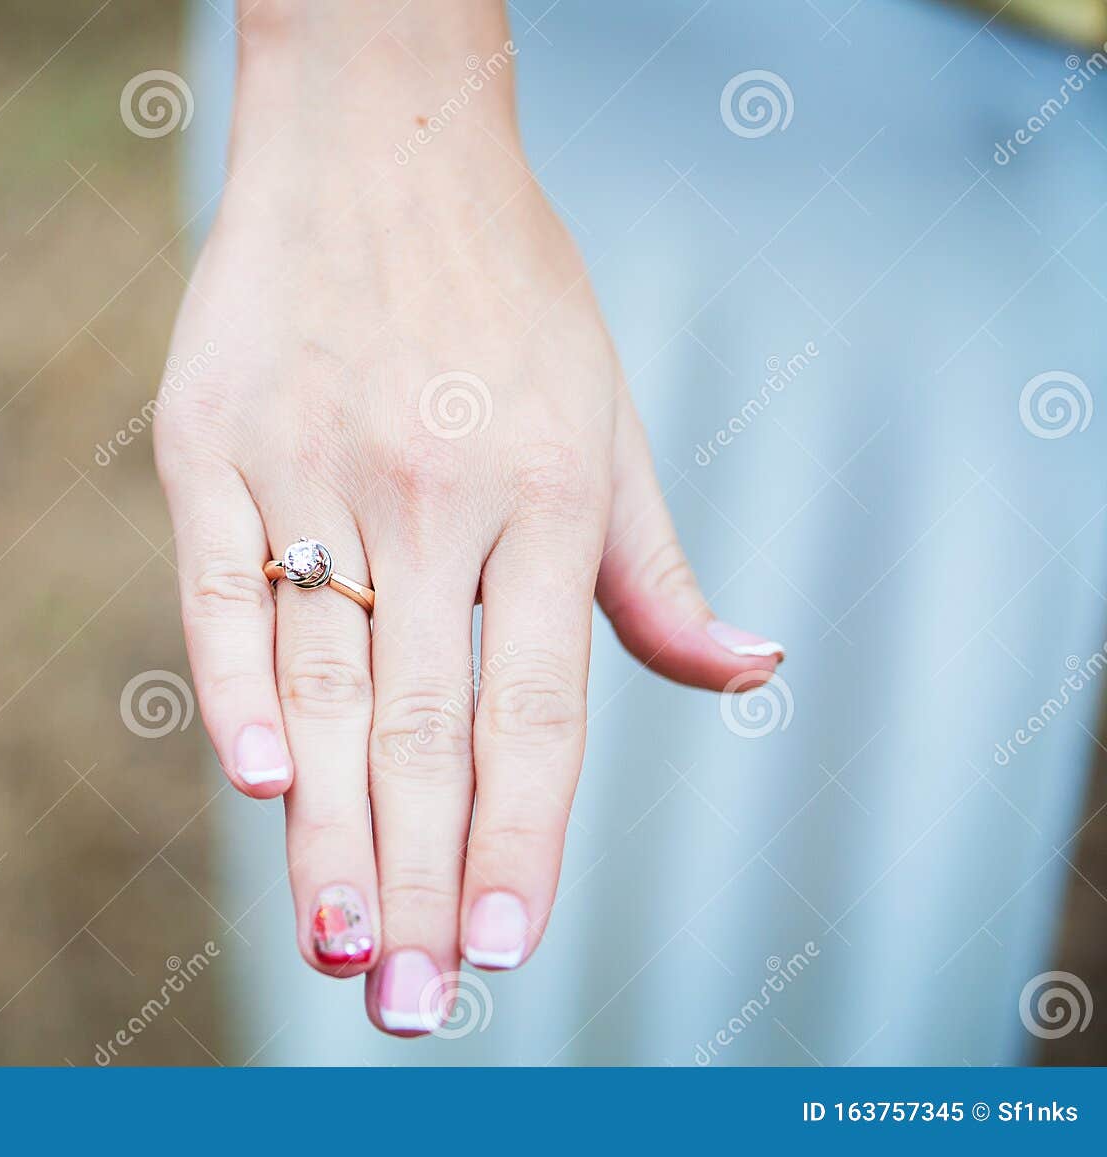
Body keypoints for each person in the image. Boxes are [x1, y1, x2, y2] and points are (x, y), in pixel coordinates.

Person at [165, 0, 1107, 1060]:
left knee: (855, 958)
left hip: (1009, 162)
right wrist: (374, 77)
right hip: (512, 104)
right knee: (419, 825)